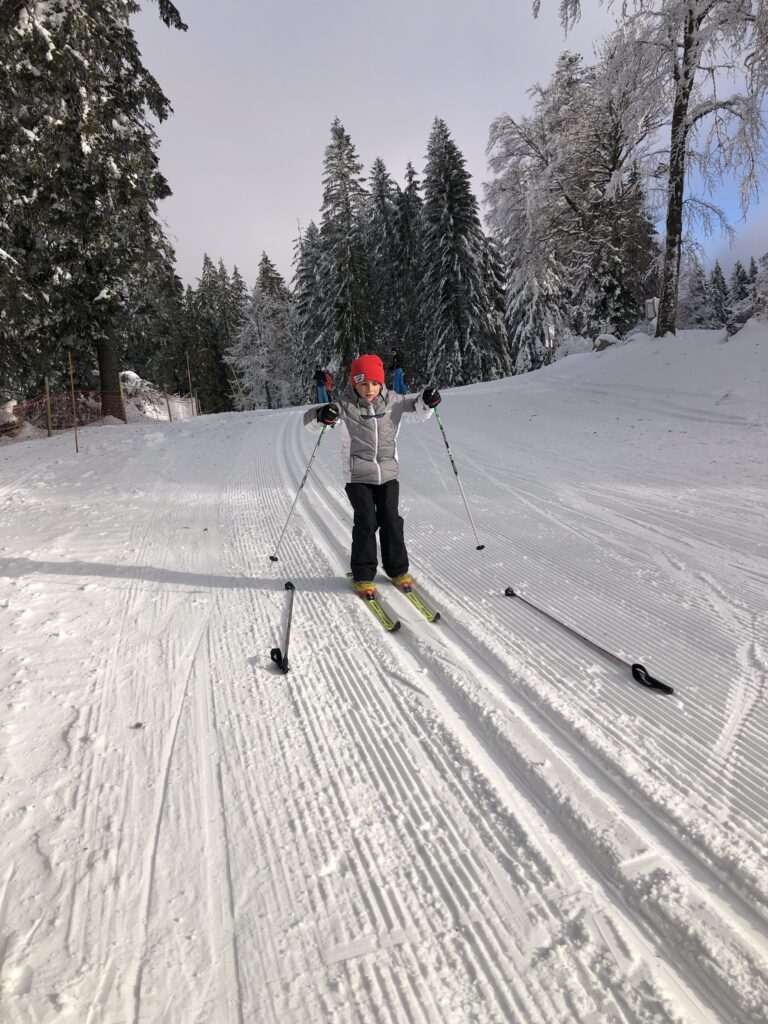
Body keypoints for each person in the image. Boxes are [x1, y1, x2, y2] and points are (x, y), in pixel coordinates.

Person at [303, 353, 441, 594]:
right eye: (364, 384)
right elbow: (310, 423)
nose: (370, 389)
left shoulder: (393, 402)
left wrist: (428, 400)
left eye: (375, 383)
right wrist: (323, 415)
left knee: (391, 520)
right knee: (367, 521)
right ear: (354, 384)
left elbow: (418, 408)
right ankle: (363, 574)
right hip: (358, 476)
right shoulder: (345, 406)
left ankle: (397, 570)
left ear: (381, 383)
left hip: (388, 474)